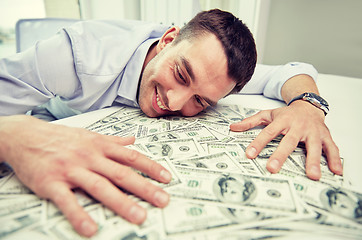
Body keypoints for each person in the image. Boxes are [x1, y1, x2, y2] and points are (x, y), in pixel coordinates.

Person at [0, 9, 342, 237]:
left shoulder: (212, 74)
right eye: (180, 74)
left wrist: (307, 105)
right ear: (168, 40)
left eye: (201, 101)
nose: (174, 103)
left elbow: (290, 71)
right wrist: (15, 134)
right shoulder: (74, 54)